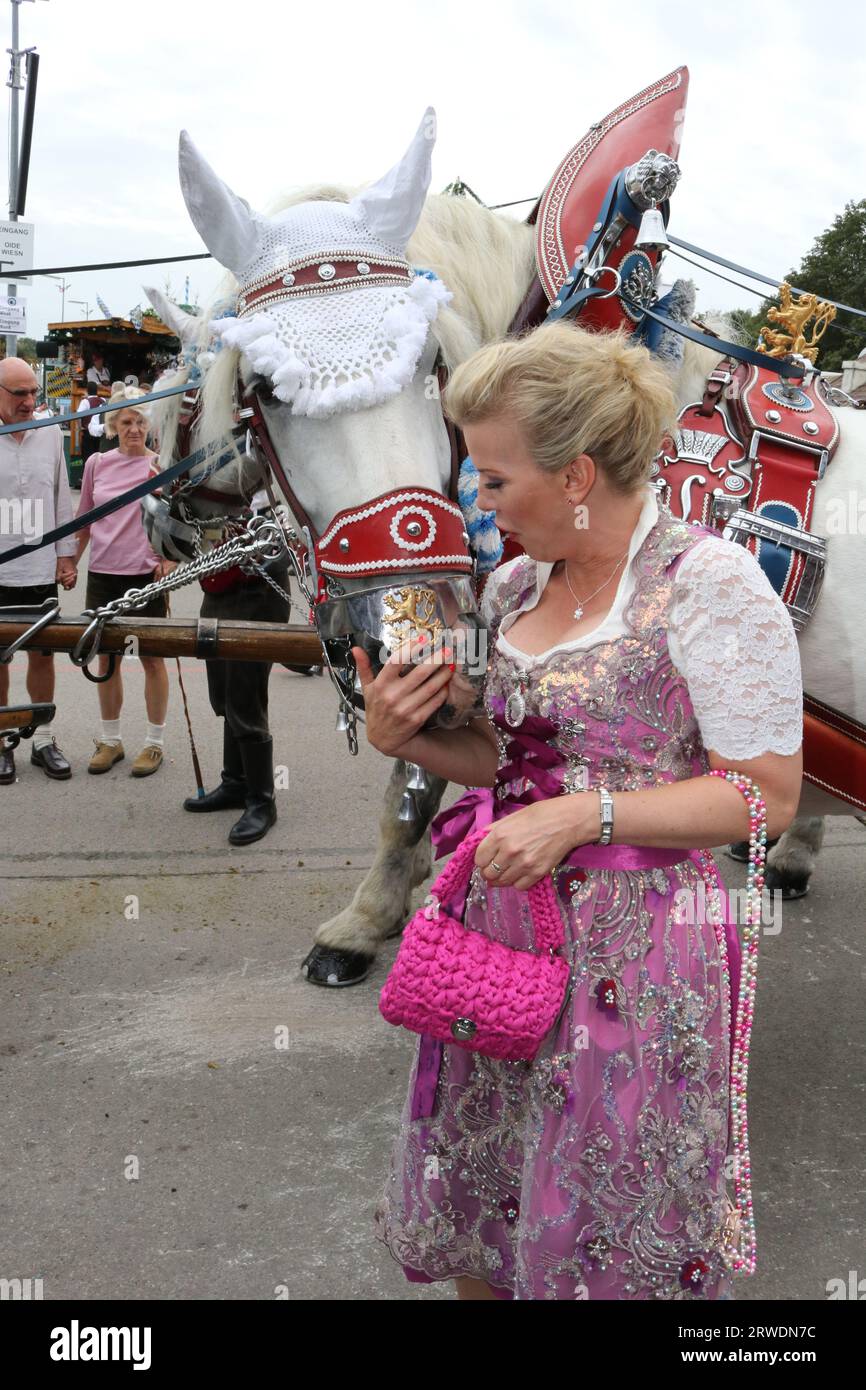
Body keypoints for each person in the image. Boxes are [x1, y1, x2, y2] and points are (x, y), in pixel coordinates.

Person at [362, 324, 804, 1301]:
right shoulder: (513, 583)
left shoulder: (707, 585)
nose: (476, 502)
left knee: (606, 1215)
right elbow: (508, 762)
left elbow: (763, 794)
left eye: (493, 478)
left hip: (637, 954)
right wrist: (410, 741)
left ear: (574, 476)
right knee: (492, 1196)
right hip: (502, 943)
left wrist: (584, 817)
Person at [74, 386, 173, 777]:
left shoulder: (161, 465)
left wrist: (167, 558)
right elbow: (83, 519)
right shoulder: (97, 464)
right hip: (103, 573)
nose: (134, 429)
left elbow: (172, 521)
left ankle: (154, 743)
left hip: (144, 576)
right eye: (126, 421)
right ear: (113, 426)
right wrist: (69, 563)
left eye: (141, 421)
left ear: (150, 425)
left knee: (152, 659)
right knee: (107, 659)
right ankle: (110, 740)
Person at [182, 486, 289, 845]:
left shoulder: (259, 456)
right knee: (225, 696)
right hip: (218, 589)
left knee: (245, 698)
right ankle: (235, 782)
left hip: (256, 591)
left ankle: (263, 800)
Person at [0, 356, 78, 784]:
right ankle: (1, 738)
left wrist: (65, 554)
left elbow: (61, 496)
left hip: (40, 566)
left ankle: (43, 739)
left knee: (42, 655)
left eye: (34, 392)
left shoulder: (50, 433)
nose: (30, 401)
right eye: (20, 394)